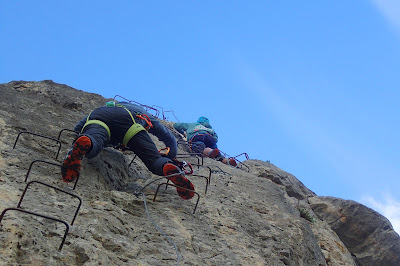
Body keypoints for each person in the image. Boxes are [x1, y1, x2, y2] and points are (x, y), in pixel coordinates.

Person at [62, 101, 195, 199]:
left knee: (95, 138)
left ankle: (88, 141)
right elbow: (168, 136)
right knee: (154, 160)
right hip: (130, 122)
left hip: (98, 117)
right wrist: (170, 156)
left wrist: (82, 132)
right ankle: (168, 167)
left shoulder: (105, 107)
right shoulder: (141, 112)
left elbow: (77, 127)